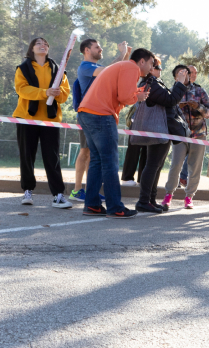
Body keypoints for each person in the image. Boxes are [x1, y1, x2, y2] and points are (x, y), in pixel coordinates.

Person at [77, 48, 154, 218]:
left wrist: (135, 94)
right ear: (142, 61)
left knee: (97, 160)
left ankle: (92, 205)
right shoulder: (132, 67)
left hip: (86, 113)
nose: (151, 68)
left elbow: (120, 94)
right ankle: (115, 207)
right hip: (101, 115)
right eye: (151, 63)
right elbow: (125, 97)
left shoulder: (122, 66)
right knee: (110, 161)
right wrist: (137, 97)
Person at [13, 37, 73, 208]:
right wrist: (45, 92)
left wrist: (57, 93)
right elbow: (22, 89)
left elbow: (64, 93)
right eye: (38, 43)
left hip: (50, 119)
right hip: (26, 117)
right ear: (32, 48)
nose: (43, 45)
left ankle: (58, 195)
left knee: (52, 157)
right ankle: (27, 191)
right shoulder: (23, 68)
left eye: (46, 44)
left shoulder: (58, 69)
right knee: (27, 155)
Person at [71, 38, 130, 201]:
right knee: (85, 151)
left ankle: (92, 190)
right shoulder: (85, 67)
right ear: (87, 50)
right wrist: (122, 54)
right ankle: (77, 190)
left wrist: (125, 56)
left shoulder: (96, 68)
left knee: (93, 154)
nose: (101, 49)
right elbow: (108, 71)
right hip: (89, 115)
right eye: (97, 47)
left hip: (98, 114)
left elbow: (114, 71)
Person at [135, 60, 188, 213]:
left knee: (156, 166)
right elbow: (171, 100)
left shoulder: (155, 82)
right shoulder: (151, 83)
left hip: (162, 128)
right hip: (157, 128)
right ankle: (143, 201)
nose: (160, 69)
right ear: (150, 69)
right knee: (152, 165)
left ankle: (150, 200)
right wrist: (179, 83)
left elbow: (169, 99)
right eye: (157, 67)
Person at [162, 64, 209, 209]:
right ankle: (168, 195)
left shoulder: (199, 90)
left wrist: (198, 107)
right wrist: (178, 107)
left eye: (186, 73)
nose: (184, 75)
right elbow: (166, 112)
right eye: (180, 73)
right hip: (179, 134)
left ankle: (189, 197)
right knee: (175, 165)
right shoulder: (171, 91)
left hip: (198, 134)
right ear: (175, 77)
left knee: (195, 167)